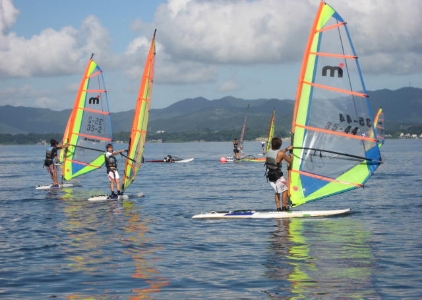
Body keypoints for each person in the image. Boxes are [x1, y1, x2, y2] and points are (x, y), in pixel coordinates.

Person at [265, 137, 292, 211]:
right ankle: (284, 207)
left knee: (277, 192)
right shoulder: (281, 154)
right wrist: (291, 156)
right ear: (280, 145)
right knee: (285, 190)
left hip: (270, 176)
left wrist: (287, 149)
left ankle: (278, 208)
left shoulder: (268, 151)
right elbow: (290, 161)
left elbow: (278, 153)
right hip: (277, 175)